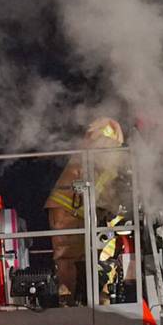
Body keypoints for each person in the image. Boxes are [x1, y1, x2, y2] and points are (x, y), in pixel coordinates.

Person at [44, 117, 125, 305]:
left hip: (86, 209)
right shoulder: (109, 126)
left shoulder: (121, 150)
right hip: (68, 208)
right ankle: (67, 303)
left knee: (97, 259)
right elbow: (94, 139)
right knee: (67, 259)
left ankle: (94, 300)